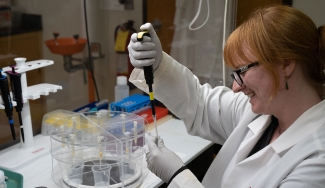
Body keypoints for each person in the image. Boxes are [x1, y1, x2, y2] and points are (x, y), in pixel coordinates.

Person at [128, 5, 325, 188]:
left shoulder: (317, 161)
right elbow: (200, 104)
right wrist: (157, 64)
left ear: (286, 64)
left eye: (243, 71)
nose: (236, 87)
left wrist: (178, 176)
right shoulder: (261, 110)